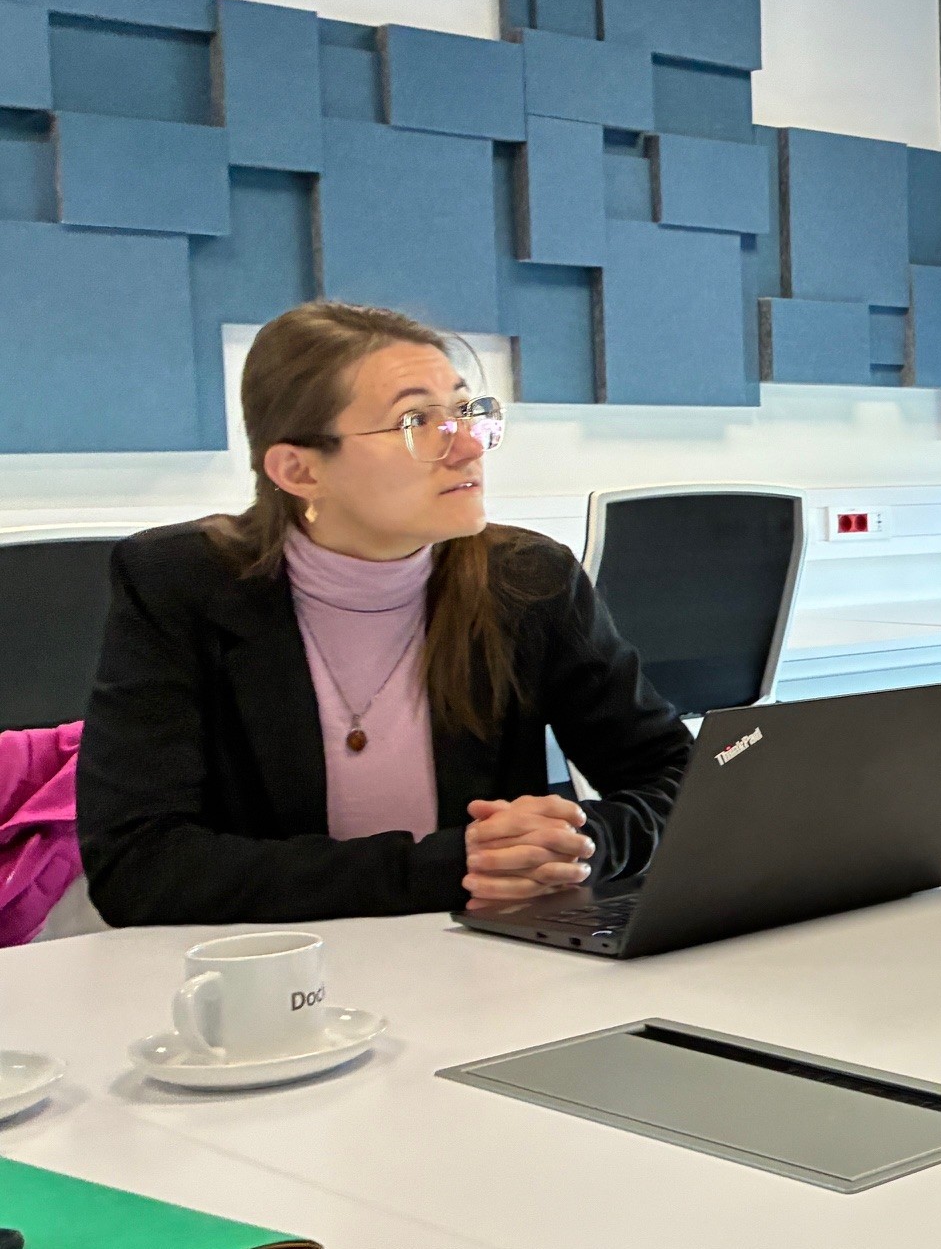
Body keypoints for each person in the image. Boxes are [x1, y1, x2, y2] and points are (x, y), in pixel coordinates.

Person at [77, 302, 693, 925]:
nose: (470, 445)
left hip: (491, 974)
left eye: (465, 411)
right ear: (300, 469)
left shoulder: (529, 579)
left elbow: (678, 779)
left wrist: (578, 844)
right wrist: (450, 866)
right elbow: (138, 867)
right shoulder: (178, 584)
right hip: (270, 983)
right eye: (416, 420)